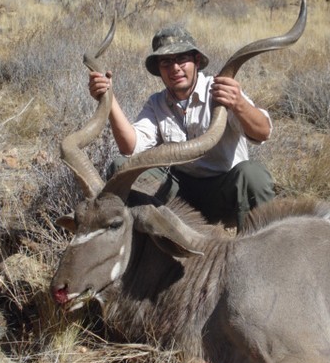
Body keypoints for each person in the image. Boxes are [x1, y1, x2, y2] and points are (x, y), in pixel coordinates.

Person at [89, 25, 274, 230]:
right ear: (159, 69)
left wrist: (239, 103)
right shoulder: (157, 103)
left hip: (225, 194)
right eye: (166, 62)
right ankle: (143, 246)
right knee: (122, 168)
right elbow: (130, 148)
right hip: (179, 198)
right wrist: (109, 98)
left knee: (253, 175)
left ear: (196, 61)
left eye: (182, 59)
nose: (174, 68)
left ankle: (259, 251)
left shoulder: (221, 90)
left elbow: (263, 131)